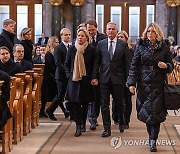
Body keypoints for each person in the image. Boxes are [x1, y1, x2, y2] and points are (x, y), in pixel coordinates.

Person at [127, 23, 174, 152]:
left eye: (152, 31)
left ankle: (153, 140)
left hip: (159, 84)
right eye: (148, 31)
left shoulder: (164, 47)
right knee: (148, 114)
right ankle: (150, 135)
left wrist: (167, 66)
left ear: (157, 33)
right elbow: (134, 66)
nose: (150, 34)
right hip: (144, 84)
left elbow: (171, 65)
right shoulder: (141, 46)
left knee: (156, 114)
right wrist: (131, 83)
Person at [91, 22, 130, 137]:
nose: (111, 31)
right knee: (104, 104)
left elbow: (127, 64)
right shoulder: (101, 44)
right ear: (106, 30)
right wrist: (94, 77)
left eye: (113, 29)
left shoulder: (122, 45)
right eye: (109, 29)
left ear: (116, 31)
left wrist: (129, 79)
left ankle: (121, 122)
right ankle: (106, 128)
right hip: (104, 78)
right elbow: (96, 62)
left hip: (118, 79)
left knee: (119, 103)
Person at [64, 29, 96, 137]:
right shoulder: (72, 49)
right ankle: (78, 125)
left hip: (86, 80)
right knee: (76, 103)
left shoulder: (91, 49)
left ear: (86, 37)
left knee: (85, 103)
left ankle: (83, 123)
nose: (80, 38)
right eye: (78, 35)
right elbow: (67, 64)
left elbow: (94, 65)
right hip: (74, 80)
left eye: (82, 36)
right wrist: (69, 75)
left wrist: (93, 77)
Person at [86, 19, 107, 130]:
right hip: (87, 72)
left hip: (100, 72)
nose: (90, 32)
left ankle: (94, 116)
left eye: (92, 30)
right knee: (89, 98)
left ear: (96, 28)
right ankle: (92, 119)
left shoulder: (103, 38)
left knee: (97, 97)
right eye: (88, 30)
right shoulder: (83, 38)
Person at [46, 28, 71, 121]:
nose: (67, 36)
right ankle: (50, 110)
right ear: (61, 36)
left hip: (68, 75)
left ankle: (67, 111)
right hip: (60, 75)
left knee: (64, 94)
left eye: (69, 35)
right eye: (65, 35)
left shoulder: (70, 47)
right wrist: (67, 71)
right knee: (60, 94)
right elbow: (58, 63)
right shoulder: (58, 48)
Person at [112, 30, 134, 128]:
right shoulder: (114, 49)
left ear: (126, 39)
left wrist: (130, 81)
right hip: (116, 78)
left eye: (122, 37)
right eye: (118, 37)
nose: (120, 39)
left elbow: (131, 66)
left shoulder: (131, 51)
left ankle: (126, 120)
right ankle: (116, 118)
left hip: (127, 78)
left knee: (127, 100)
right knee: (117, 99)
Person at [39, 36, 59, 117]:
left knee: (57, 94)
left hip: (53, 75)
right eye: (56, 42)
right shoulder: (48, 53)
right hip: (49, 76)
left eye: (58, 42)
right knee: (48, 95)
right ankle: (43, 110)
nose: (57, 44)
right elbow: (50, 66)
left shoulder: (56, 52)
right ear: (52, 43)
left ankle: (48, 110)